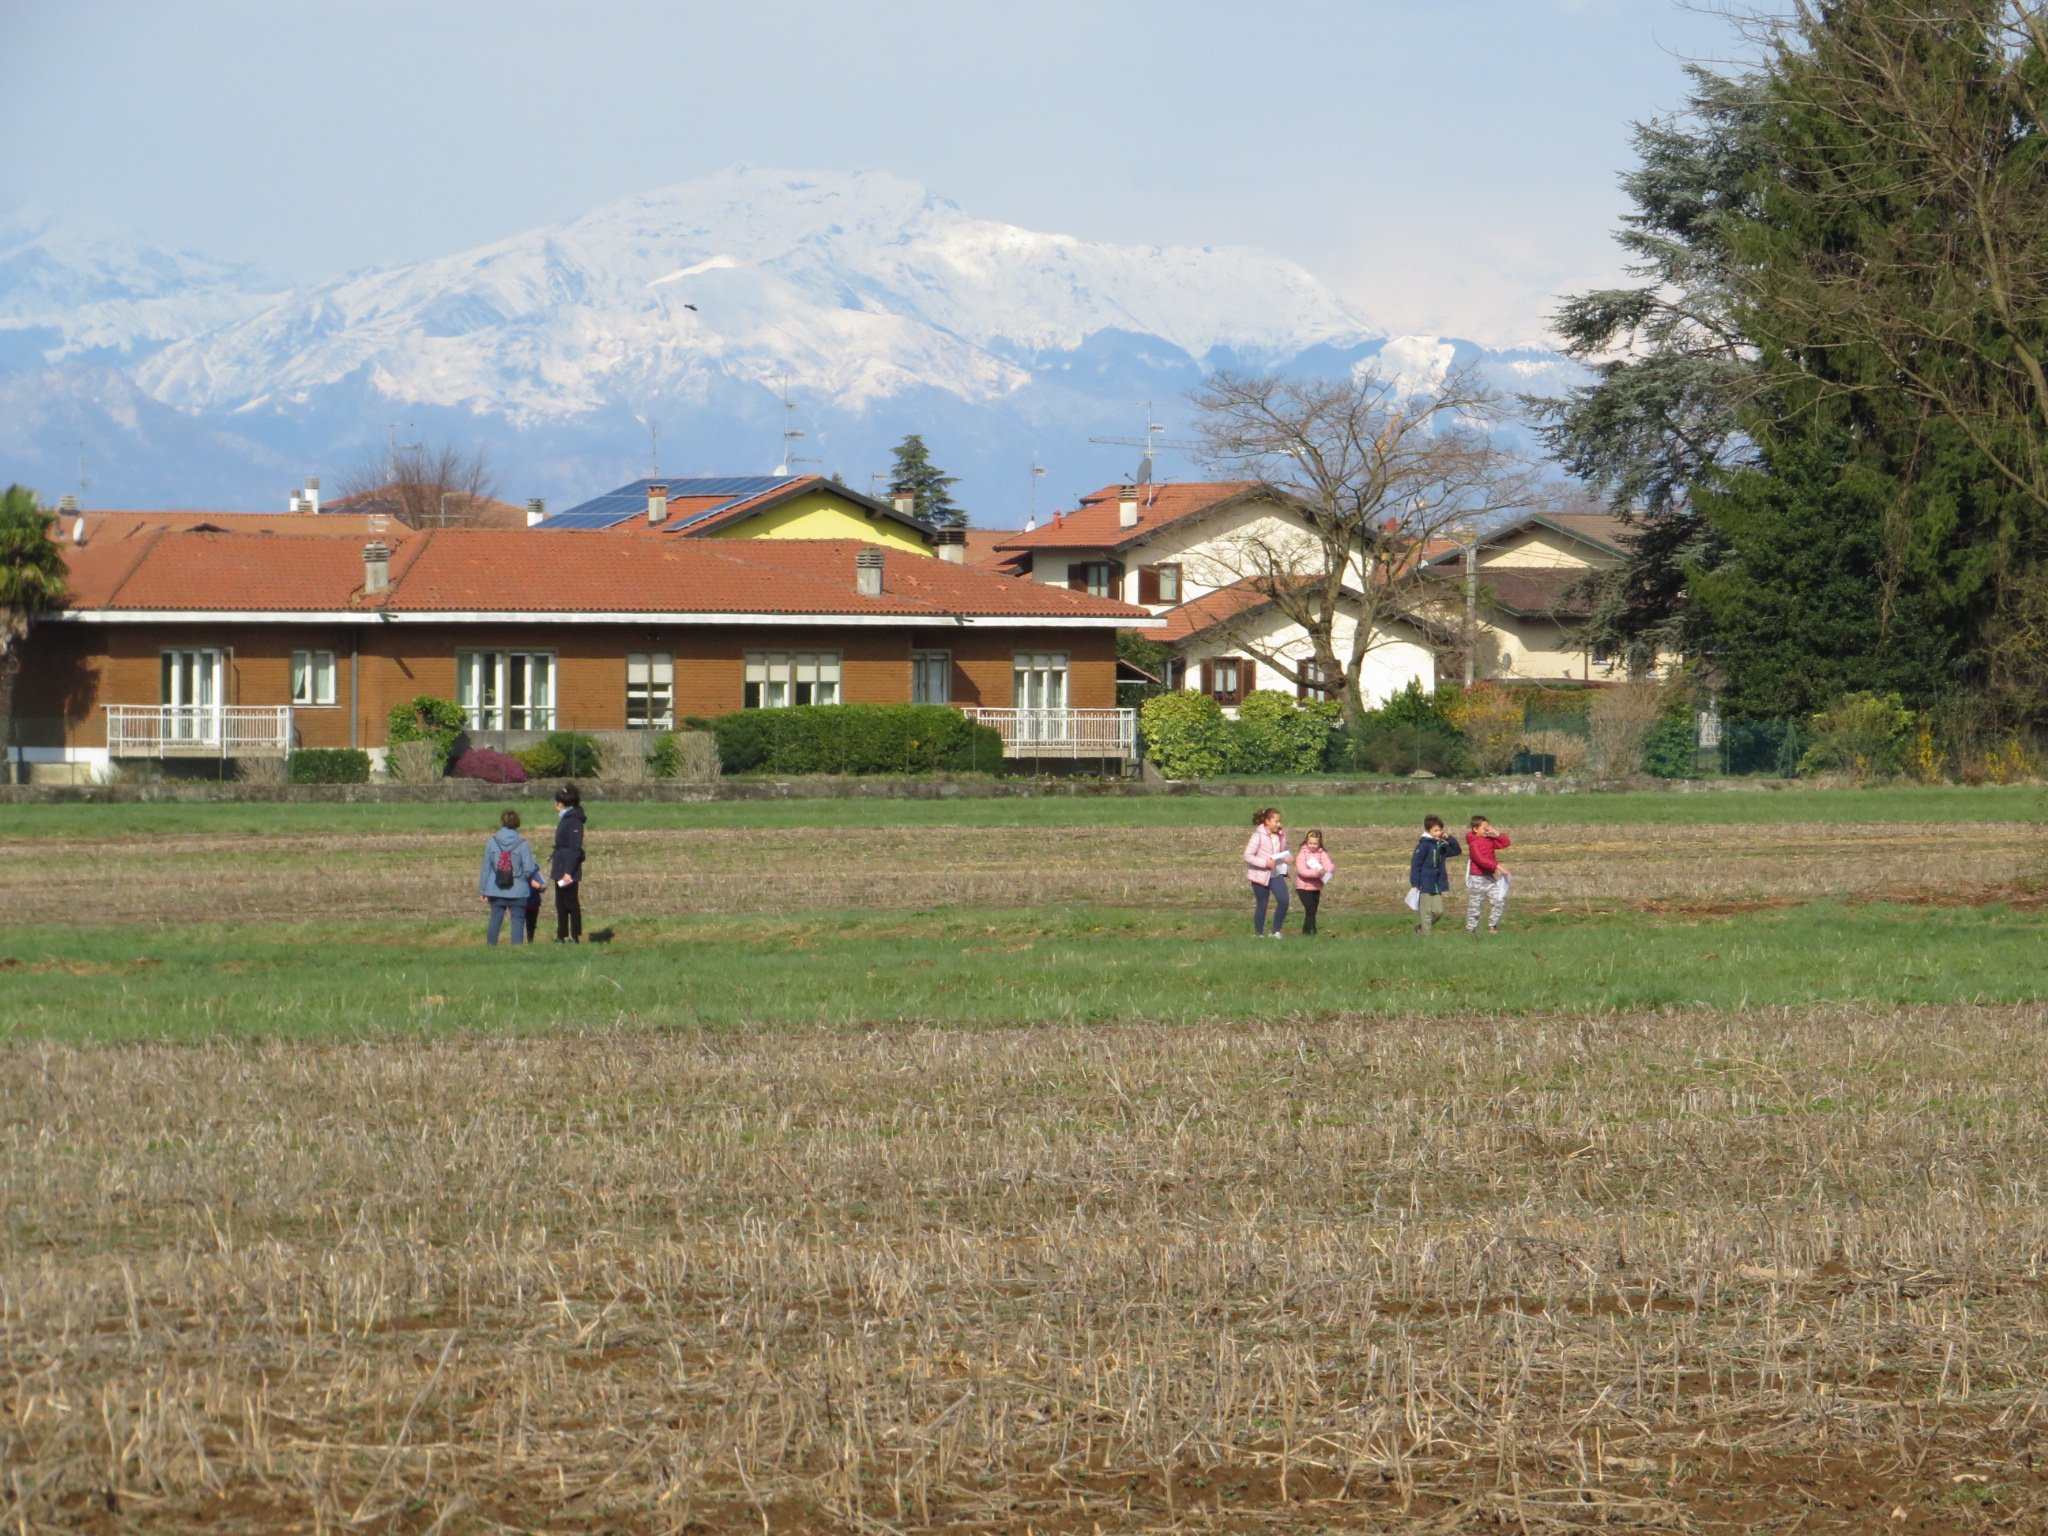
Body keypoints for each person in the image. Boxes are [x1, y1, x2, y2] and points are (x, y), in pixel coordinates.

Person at [479, 809, 542, 946]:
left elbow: (486, 868)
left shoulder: (492, 842)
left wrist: (483, 890)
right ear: (517, 823)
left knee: (495, 919)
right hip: (518, 889)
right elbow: (529, 868)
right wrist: (520, 878)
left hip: (495, 888)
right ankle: (517, 948)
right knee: (518, 919)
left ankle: (491, 947)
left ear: (502, 821)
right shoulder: (523, 843)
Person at [1408, 814, 1461, 935]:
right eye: (1435, 830)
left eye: (1440, 830)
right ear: (1428, 831)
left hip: (1437, 884)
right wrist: (1415, 883)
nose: (1438, 833)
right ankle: (1426, 936)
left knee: (1438, 912)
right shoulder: (1423, 846)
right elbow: (1416, 865)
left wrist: (1449, 838)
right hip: (1424, 884)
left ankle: (1420, 928)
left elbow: (1457, 850)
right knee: (1426, 912)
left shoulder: (1441, 845)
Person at [1243, 807, 1291, 938]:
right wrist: (1265, 863)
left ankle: (1275, 932)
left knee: (1284, 900)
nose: (1279, 824)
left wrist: (1286, 858)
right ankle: (1258, 934)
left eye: (1279, 821)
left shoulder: (1282, 835)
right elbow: (1247, 856)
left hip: (1275, 874)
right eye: (1276, 821)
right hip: (1259, 875)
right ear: (1267, 821)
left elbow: (1284, 850)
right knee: (1262, 904)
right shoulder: (1258, 836)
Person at [551, 783, 587, 943]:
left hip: (568, 869)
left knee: (571, 903)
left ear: (562, 804)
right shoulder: (566, 819)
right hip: (560, 866)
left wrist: (568, 871)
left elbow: (575, 849)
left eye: (557, 802)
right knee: (560, 904)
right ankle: (562, 934)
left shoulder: (574, 821)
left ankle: (575, 935)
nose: (555, 805)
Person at [1466, 815, 1512, 934]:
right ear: (1475, 829)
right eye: (1484, 827)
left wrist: (1496, 833)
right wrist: (1497, 866)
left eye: (1488, 827)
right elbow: (1480, 859)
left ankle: (1493, 926)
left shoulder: (1489, 840)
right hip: (1477, 877)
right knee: (1475, 905)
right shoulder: (1473, 843)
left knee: (1499, 900)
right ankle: (1472, 930)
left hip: (1489, 878)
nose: (1487, 829)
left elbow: (1505, 843)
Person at [1293, 830, 1334, 937]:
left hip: (1316, 887)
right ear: (1306, 842)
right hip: (1303, 887)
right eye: (1310, 843)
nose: (1313, 846)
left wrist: (1325, 870)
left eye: (1315, 843)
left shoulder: (1322, 853)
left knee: (1312, 911)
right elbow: (1302, 871)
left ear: (1319, 843)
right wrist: (1316, 873)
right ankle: (1312, 931)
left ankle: (1307, 931)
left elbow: (1329, 865)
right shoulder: (1302, 854)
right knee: (1310, 908)